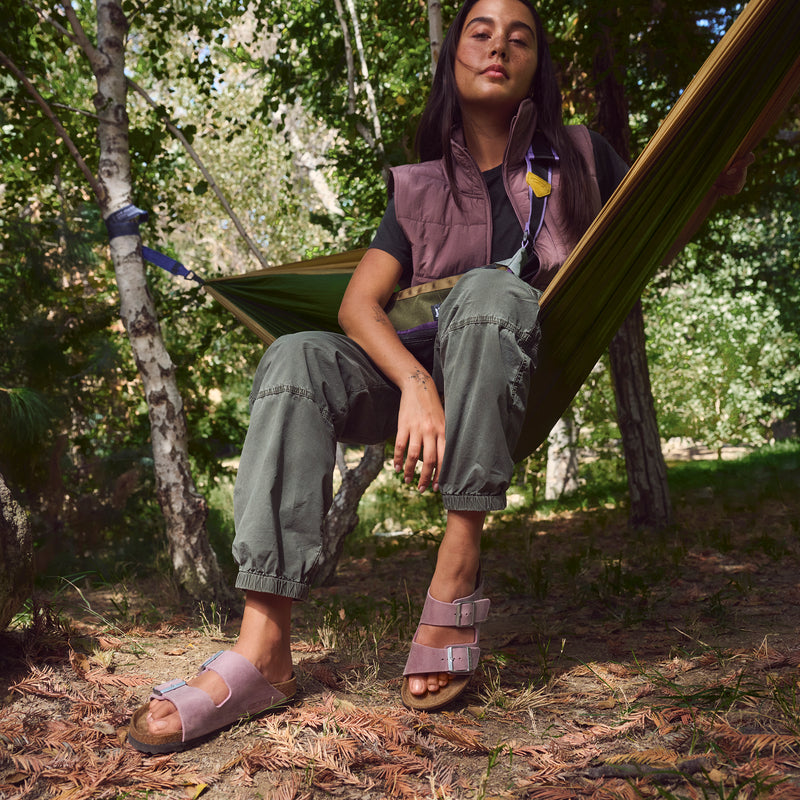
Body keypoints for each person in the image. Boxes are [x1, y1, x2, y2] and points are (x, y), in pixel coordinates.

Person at [127, 0, 749, 753]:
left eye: (519, 38)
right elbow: (360, 306)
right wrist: (418, 388)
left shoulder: (582, 155)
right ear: (453, 58)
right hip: (418, 385)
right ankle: (264, 646)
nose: (499, 47)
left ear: (535, 67)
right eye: (480, 33)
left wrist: (708, 193)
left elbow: (644, 238)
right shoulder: (417, 188)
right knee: (295, 356)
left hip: (520, 369)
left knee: (488, 290)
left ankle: (455, 572)